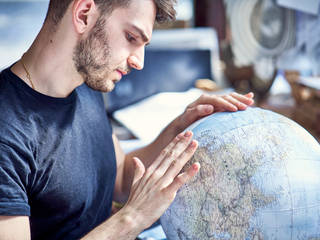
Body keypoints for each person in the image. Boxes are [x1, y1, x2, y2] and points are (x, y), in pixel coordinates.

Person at [0, 0, 254, 239]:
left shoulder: (86, 83)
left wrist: (179, 127)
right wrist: (132, 218)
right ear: (84, 14)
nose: (139, 62)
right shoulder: (7, 131)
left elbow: (120, 177)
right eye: (131, 37)